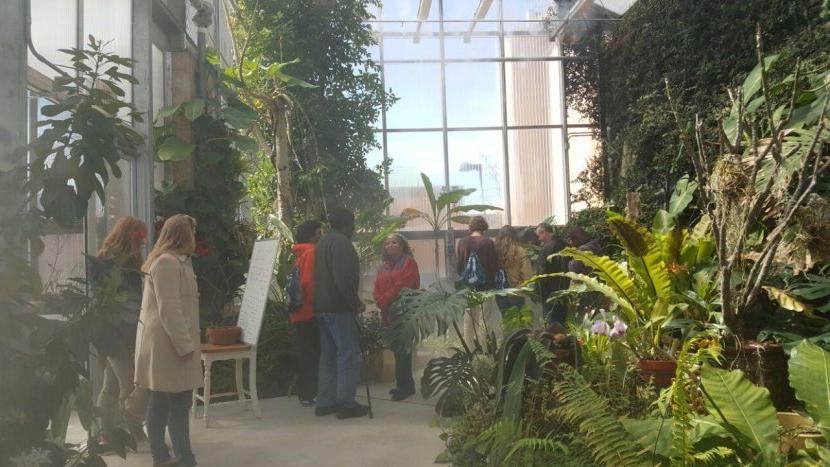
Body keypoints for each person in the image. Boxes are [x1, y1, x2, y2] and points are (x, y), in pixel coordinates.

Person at [135, 214, 202, 467]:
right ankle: (183, 459)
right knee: (176, 402)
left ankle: (163, 456)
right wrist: (185, 345)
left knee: (162, 400)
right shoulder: (167, 263)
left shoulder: (175, 262)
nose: (195, 237)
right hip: (168, 345)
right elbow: (169, 308)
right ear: (184, 235)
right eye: (193, 232)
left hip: (167, 342)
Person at [89, 216, 147, 442]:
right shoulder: (122, 264)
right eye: (139, 240)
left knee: (111, 385)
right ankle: (134, 433)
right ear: (128, 238)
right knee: (128, 384)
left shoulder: (101, 260)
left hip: (108, 333)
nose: (141, 245)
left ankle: (105, 433)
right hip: (116, 333)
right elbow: (128, 300)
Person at [313, 207, 369, 419]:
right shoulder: (342, 243)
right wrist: (354, 302)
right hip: (339, 308)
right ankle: (346, 404)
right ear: (348, 225)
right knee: (348, 355)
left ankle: (325, 403)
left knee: (328, 355)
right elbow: (342, 278)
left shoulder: (323, 242)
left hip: (322, 307)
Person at [372, 233, 420, 401]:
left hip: (403, 312)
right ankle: (403, 384)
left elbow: (403, 286)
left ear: (402, 246)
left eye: (395, 242)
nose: (390, 245)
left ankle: (405, 386)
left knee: (403, 350)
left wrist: (384, 300)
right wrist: (379, 300)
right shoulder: (384, 266)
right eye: (388, 243)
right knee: (396, 350)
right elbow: (377, 285)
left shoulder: (409, 263)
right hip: (387, 312)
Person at [290, 220, 322, 407]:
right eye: (319, 232)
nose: (321, 235)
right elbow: (309, 283)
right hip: (309, 311)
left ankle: (306, 393)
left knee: (306, 352)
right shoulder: (311, 252)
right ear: (312, 235)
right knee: (312, 354)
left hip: (299, 311)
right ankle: (311, 393)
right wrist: (317, 306)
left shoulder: (300, 252)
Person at [535, 222, 570, 325]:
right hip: (565, 290)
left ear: (544, 232)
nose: (539, 239)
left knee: (552, 324)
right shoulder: (566, 245)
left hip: (550, 293)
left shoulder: (546, 250)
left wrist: (538, 291)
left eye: (539, 236)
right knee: (563, 321)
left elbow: (542, 273)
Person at [494, 225, 533, 313]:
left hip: (500, 291)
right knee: (517, 322)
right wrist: (521, 287)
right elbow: (527, 275)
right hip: (516, 291)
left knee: (506, 320)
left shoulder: (494, 251)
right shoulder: (520, 251)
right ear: (514, 236)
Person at [455, 216, 498, 290]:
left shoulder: (462, 243)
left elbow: (460, 267)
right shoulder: (488, 242)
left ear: (471, 227)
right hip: (485, 286)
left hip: (467, 286)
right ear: (484, 227)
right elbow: (493, 266)